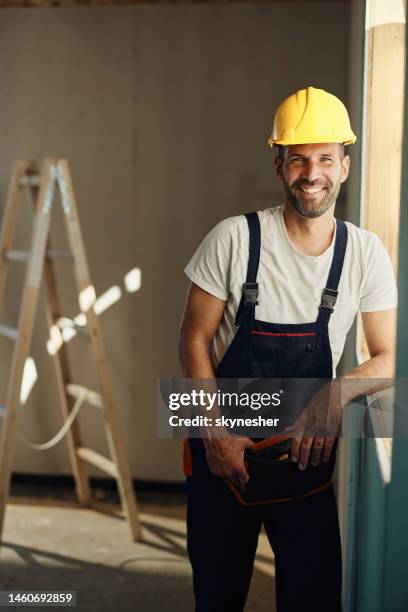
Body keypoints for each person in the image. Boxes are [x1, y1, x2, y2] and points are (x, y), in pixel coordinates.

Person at [178, 86, 397, 612]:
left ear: (344, 166)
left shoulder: (364, 253)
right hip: (223, 458)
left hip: (306, 466)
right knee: (217, 596)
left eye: (325, 159)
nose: (312, 173)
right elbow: (193, 339)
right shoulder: (234, 238)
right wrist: (214, 434)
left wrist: (333, 397)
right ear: (279, 167)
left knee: (312, 598)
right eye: (298, 160)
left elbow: (388, 356)